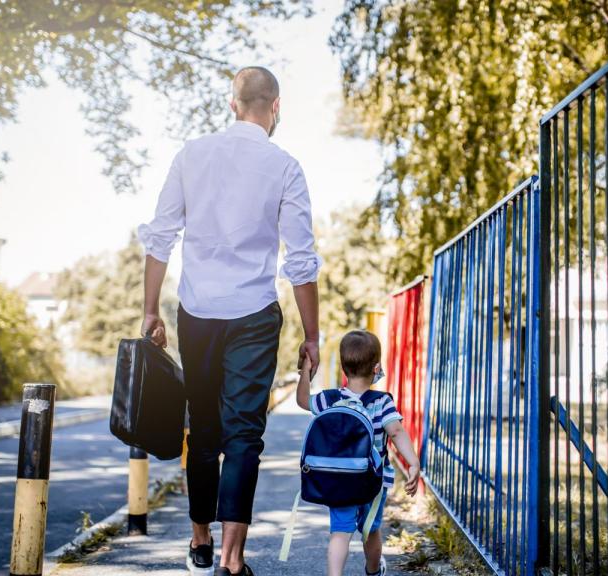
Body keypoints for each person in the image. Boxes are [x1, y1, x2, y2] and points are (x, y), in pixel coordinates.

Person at [138, 66, 321, 576]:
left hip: (196, 311)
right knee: (244, 434)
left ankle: (200, 537)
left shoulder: (190, 156)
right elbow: (300, 261)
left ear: (232, 103)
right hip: (254, 316)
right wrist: (314, 336)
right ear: (275, 106)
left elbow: (160, 238)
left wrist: (151, 311)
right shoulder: (285, 166)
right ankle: (230, 560)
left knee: (203, 429)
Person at [295, 330, 420, 576]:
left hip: (338, 478)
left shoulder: (330, 399)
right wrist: (413, 461)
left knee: (340, 531)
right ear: (377, 368)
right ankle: (373, 571)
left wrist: (306, 371)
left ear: (343, 367)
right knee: (370, 530)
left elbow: (302, 400)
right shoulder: (382, 402)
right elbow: (395, 431)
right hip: (372, 482)